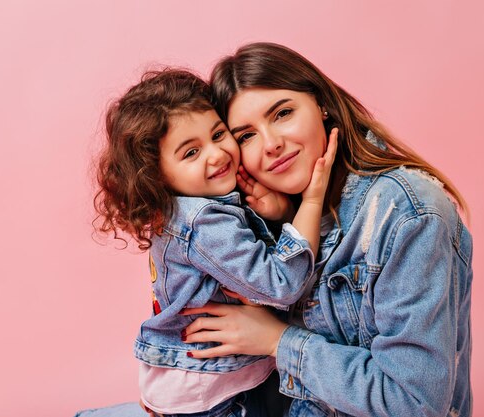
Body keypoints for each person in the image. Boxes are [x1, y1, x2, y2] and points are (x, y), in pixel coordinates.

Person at [179, 42, 473, 417]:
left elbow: (414, 403)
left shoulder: (406, 215)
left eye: (283, 113)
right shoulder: (263, 211)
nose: (272, 145)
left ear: (322, 106)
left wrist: (277, 340)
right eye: (246, 136)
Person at [90, 68, 337, 417]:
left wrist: (279, 213)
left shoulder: (186, 209)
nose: (217, 154)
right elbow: (281, 285)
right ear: (157, 174)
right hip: (216, 393)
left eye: (218, 134)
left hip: (197, 375)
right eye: (191, 153)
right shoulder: (204, 222)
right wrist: (311, 203)